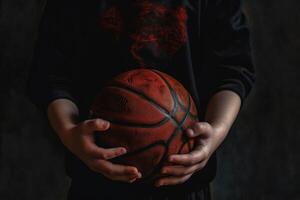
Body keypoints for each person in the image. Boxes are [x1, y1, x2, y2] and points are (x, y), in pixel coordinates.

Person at [28, 0, 255, 199]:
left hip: (182, 183)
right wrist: (69, 131)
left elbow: (232, 70)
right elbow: (51, 74)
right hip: (96, 182)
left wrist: (215, 132)